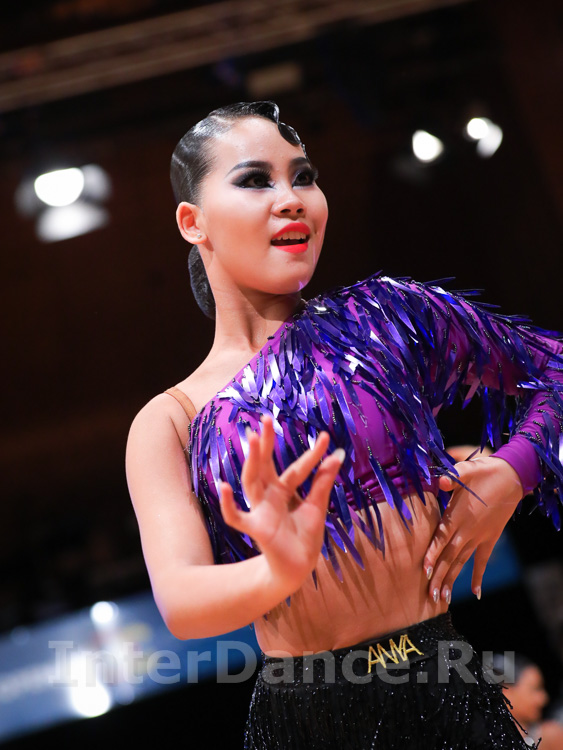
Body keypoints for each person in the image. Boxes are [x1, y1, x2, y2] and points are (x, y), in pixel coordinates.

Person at [125, 101, 563, 749]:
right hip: (305, 720)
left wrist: (510, 471)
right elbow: (183, 604)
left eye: (303, 177)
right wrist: (277, 570)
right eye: (255, 180)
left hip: (442, 686)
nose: (292, 198)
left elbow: (554, 369)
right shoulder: (172, 420)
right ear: (193, 222)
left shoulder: (386, 318)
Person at [490, 653, 563, 748]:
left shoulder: (550, 737)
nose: (543, 699)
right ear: (505, 692)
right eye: (535, 689)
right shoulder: (483, 738)